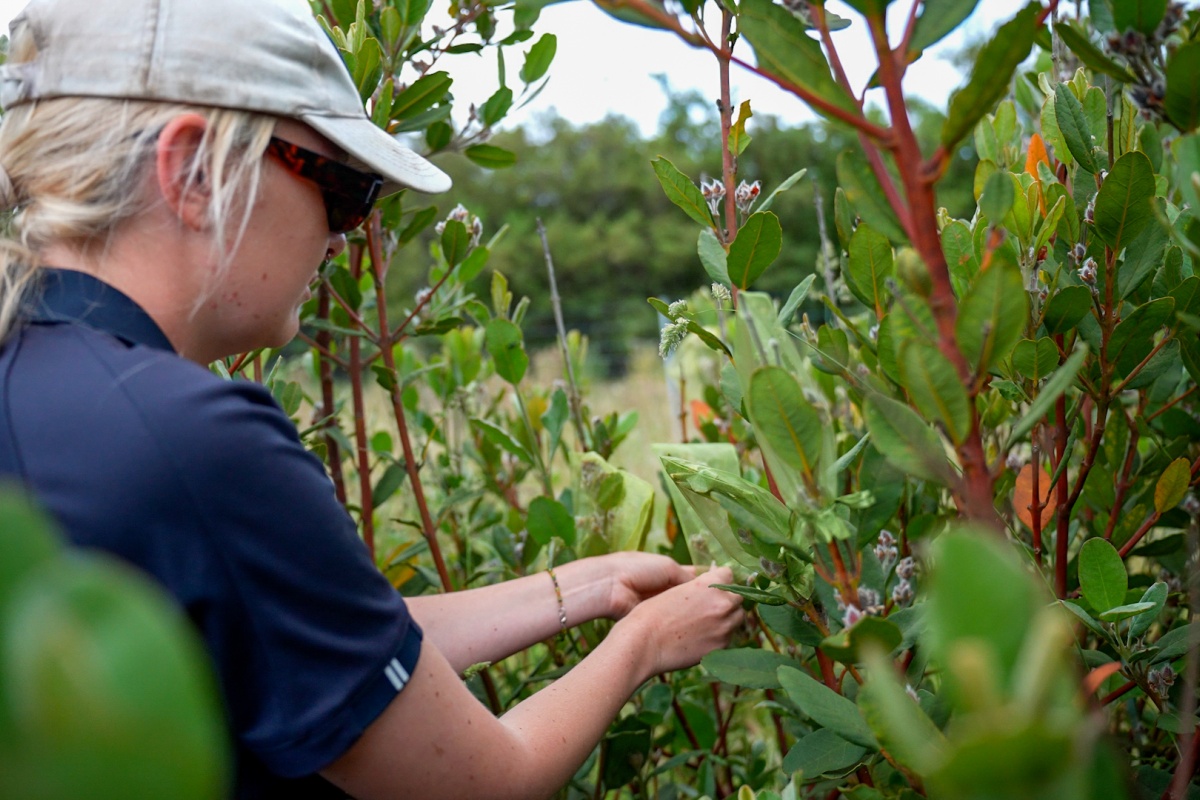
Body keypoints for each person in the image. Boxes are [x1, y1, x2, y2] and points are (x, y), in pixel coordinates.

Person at [0, 0, 744, 797]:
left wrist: (584, 590)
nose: (347, 235)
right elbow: (485, 782)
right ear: (196, 172)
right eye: (346, 190)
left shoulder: (46, 386)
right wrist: (647, 644)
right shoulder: (192, 441)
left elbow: (317, 647)